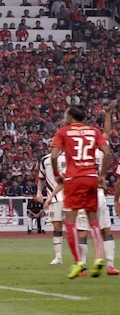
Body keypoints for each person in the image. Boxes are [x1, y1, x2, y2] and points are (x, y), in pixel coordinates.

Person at [50, 105, 111, 279]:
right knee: (94, 221)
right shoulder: (93, 131)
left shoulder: (64, 132)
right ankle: (99, 257)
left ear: (70, 116)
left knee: (70, 221)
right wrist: (102, 175)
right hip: (91, 177)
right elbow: (107, 152)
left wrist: (57, 175)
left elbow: (54, 156)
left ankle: (78, 262)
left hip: (73, 179)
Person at [37, 150, 67, 265]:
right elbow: (41, 178)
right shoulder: (45, 159)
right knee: (57, 226)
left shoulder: (68, 157)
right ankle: (58, 257)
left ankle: (78, 258)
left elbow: (64, 179)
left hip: (68, 196)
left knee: (73, 226)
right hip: (54, 199)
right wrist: (39, 192)